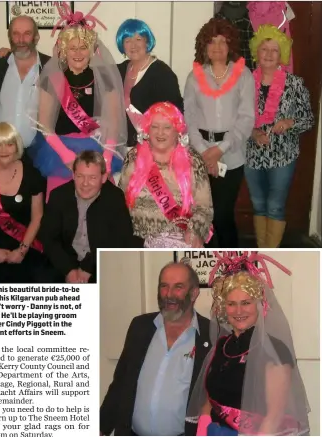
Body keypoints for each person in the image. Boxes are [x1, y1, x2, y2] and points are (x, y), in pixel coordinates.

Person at [186, 252, 310, 436]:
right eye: (231, 304)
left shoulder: (275, 350)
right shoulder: (221, 346)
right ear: (223, 307)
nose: (238, 311)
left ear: (259, 304)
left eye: (246, 303)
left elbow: (274, 417)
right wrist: (202, 432)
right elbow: (208, 402)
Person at [27, 3, 128, 200]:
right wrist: (66, 156)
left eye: (83, 48)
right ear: (64, 50)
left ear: (91, 50)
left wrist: (106, 158)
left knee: (100, 209)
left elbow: (114, 123)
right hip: (60, 154)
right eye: (72, 48)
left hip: (96, 151)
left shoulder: (104, 79)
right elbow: (44, 126)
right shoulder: (51, 79)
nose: (78, 53)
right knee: (62, 209)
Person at [100, 262, 212, 436]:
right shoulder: (140, 326)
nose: (169, 294)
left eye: (178, 287)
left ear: (194, 292)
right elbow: (121, 382)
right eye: (164, 286)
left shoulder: (211, 335)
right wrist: (101, 427)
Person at [184, 18, 255, 248]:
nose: (217, 47)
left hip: (231, 156)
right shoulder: (194, 76)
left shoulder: (243, 75)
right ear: (204, 45)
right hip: (200, 154)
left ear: (231, 45)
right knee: (203, 217)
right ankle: (208, 268)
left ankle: (232, 264)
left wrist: (220, 150)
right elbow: (189, 119)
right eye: (212, 42)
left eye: (222, 42)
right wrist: (206, 152)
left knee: (222, 215)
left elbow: (246, 118)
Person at [245, 25, 314, 248]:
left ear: (281, 54)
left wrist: (289, 122)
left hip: (283, 155)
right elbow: (236, 119)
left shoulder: (295, 84)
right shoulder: (245, 83)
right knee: (257, 204)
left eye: (274, 50)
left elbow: (308, 120)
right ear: (257, 51)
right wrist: (253, 132)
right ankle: (260, 249)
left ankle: (270, 253)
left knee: (275, 206)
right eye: (264, 49)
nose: (268, 54)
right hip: (252, 155)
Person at [0, 122, 59, 283]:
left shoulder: (32, 175)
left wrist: (22, 251)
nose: (4, 150)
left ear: (17, 146)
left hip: (26, 244)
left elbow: (37, 217)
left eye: (9, 144)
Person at [119, 102, 213, 248]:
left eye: (167, 127)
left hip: (179, 240)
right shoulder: (133, 157)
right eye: (154, 127)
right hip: (137, 240)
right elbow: (120, 202)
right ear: (147, 130)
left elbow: (204, 208)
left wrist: (194, 231)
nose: (160, 133)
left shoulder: (193, 160)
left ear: (177, 131)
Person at [38, 151, 138, 284]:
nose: (85, 183)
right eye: (80, 176)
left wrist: (88, 268)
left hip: (99, 260)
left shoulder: (114, 197)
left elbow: (121, 238)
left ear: (103, 178)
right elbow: (48, 237)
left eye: (92, 177)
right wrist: (69, 270)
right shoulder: (58, 196)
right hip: (66, 261)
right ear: (73, 175)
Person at [115, 18, 184, 148]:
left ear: (147, 42)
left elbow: (174, 115)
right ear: (122, 45)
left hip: (153, 149)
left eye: (138, 39)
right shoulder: (119, 70)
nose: (133, 45)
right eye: (127, 41)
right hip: (124, 148)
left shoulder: (162, 73)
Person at [0, 15, 51, 152]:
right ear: (10, 37)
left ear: (36, 37)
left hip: (37, 153)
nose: (21, 40)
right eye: (16, 34)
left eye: (27, 34)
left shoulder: (50, 67)